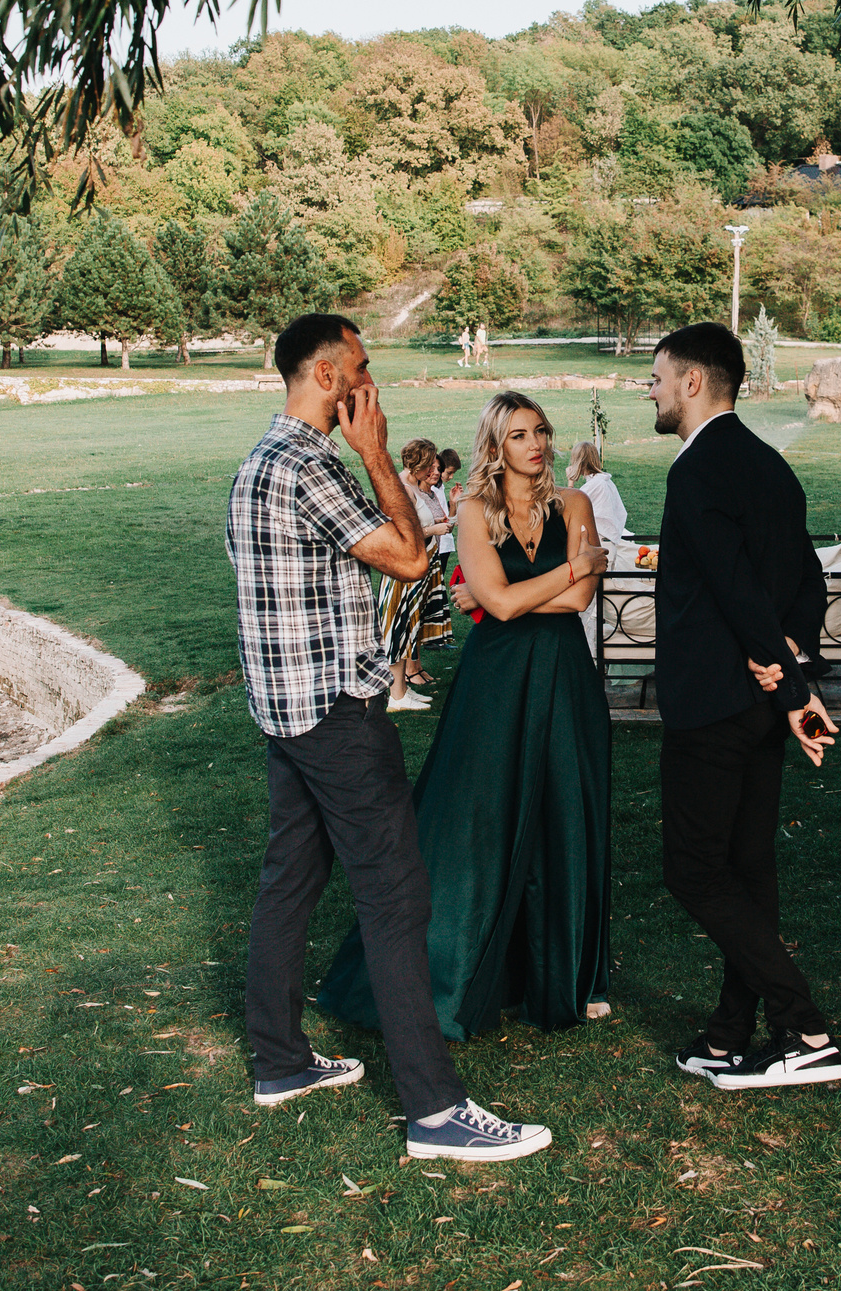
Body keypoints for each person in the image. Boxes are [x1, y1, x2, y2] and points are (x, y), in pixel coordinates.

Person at [224, 313, 550, 1162]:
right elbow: (411, 559)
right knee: (397, 896)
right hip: (337, 716)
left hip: (284, 713)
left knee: (289, 880)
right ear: (331, 376)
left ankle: (280, 1060)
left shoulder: (257, 463)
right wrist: (377, 451)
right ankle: (436, 1110)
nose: (372, 383)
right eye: (362, 368)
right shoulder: (310, 466)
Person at [320, 392, 615, 1040]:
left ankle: (573, 975)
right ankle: (458, 966)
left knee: (569, 815)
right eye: (517, 435)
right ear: (493, 446)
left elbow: (579, 601)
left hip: (566, 678)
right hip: (495, 682)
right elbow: (507, 605)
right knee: (475, 819)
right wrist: (567, 566)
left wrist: (506, 591)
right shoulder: (471, 509)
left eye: (540, 431)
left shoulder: (577, 503)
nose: (535, 444)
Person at [648, 322, 841, 1092]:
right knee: (746, 866)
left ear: (694, 381)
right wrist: (789, 657)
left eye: (660, 376)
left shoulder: (698, 472)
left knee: (694, 870)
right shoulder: (771, 466)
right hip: (757, 706)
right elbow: (808, 583)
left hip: (712, 705)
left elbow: (733, 588)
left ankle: (802, 1027)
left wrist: (787, 679)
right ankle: (732, 1032)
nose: (654, 390)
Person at [378, 440, 458, 712]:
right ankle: (396, 695)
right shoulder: (402, 490)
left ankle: (401, 691)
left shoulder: (414, 487)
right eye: (429, 466)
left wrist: (440, 524)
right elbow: (402, 536)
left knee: (408, 629)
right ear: (417, 465)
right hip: (401, 573)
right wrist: (434, 531)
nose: (434, 470)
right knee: (397, 629)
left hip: (418, 569)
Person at [566, 440, 634, 569]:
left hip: (598, 546)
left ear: (578, 462)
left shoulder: (594, 485)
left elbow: (569, 506)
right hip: (608, 543)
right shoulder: (604, 481)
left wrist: (570, 482)